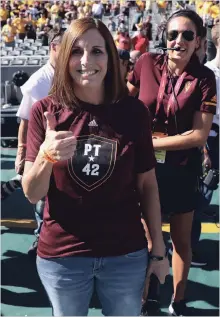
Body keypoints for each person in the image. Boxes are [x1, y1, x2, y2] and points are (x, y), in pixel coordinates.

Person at [22, 17, 169, 316]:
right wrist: (47, 155)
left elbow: (148, 185)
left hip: (124, 253)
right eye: (76, 51)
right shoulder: (45, 111)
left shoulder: (133, 112)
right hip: (62, 256)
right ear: (64, 58)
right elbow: (32, 193)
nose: (86, 61)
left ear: (110, 58)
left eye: (97, 51)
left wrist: (158, 252)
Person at [127, 9, 217, 316]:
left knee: (180, 240)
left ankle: (178, 301)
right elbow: (124, 102)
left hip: (181, 169)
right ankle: (145, 297)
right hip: (142, 166)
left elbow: (198, 135)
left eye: (187, 35)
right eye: (173, 34)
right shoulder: (145, 63)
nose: (178, 40)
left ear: (198, 42)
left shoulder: (205, 78)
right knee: (146, 237)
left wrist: (152, 143)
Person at [15, 29, 64, 257]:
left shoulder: (67, 75)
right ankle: (41, 238)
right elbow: (25, 121)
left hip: (64, 149)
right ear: (54, 47)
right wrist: (22, 154)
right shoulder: (39, 81)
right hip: (43, 150)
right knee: (41, 201)